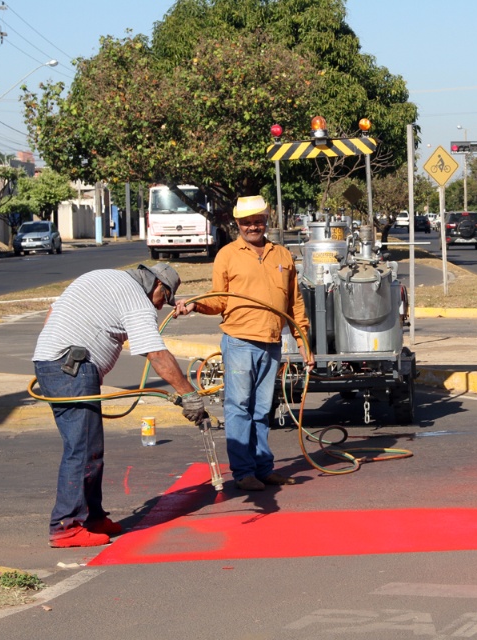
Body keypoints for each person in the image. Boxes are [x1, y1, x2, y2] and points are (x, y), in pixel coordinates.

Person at [33, 263, 208, 548]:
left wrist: (52, 357)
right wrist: (188, 394)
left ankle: (92, 517)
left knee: (90, 447)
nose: (162, 307)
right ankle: (66, 525)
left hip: (57, 362)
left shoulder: (102, 276)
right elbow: (155, 352)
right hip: (73, 368)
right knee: (82, 449)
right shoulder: (136, 299)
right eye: (165, 299)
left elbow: (54, 314)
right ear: (157, 286)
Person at [184, 195, 313, 491]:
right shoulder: (227, 255)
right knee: (239, 406)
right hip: (240, 341)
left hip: (271, 342)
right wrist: (195, 305)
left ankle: (263, 468)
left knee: (262, 409)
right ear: (238, 224)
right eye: (246, 222)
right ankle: (243, 473)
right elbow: (218, 299)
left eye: (258, 221)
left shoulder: (282, 255)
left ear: (266, 221)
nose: (252, 227)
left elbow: (294, 303)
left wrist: (303, 340)